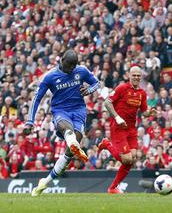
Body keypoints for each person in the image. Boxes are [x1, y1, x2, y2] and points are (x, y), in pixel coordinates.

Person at [24, 49, 100, 196]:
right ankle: (72, 141)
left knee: (70, 152)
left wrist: (89, 90)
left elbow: (97, 83)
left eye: (73, 66)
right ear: (62, 60)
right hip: (61, 110)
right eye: (69, 65)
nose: (71, 68)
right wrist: (30, 122)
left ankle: (44, 182)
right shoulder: (50, 76)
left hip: (79, 111)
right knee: (68, 129)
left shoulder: (81, 71)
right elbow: (36, 98)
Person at [98, 66, 156, 194]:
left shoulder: (142, 93)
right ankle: (107, 144)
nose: (136, 77)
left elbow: (144, 112)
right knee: (127, 159)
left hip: (131, 129)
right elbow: (107, 103)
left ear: (141, 77)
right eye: (134, 75)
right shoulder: (122, 88)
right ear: (129, 76)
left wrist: (149, 113)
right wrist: (117, 117)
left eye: (138, 75)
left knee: (133, 158)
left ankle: (113, 188)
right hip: (119, 128)